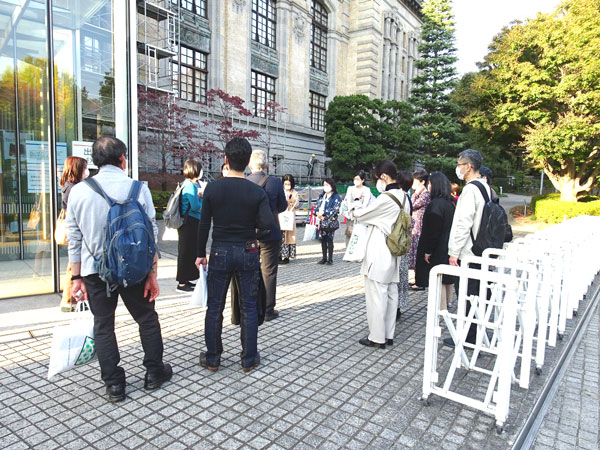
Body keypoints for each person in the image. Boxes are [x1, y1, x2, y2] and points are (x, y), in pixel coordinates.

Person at [66, 136, 170, 403]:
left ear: (95, 162)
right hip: (134, 268)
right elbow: (150, 233)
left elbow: (74, 239)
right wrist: (152, 273)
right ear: (123, 159)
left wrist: (75, 277)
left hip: (94, 271)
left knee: (103, 325)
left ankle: (114, 385)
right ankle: (154, 373)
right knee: (146, 319)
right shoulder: (137, 188)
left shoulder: (79, 191)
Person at [195, 138, 273, 372]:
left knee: (215, 306)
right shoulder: (256, 191)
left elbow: (203, 225)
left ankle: (213, 357)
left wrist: (200, 253)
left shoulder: (212, 188)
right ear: (248, 161)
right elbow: (268, 225)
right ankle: (248, 359)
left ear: (226, 160)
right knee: (248, 305)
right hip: (248, 250)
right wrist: (253, 235)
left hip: (219, 250)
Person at [348, 161, 410, 349]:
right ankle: (388, 334)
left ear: (383, 177)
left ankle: (377, 337)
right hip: (394, 251)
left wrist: (351, 208)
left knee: (377, 295)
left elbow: (362, 214)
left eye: (377, 178)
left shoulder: (386, 198)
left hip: (379, 250)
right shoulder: (404, 197)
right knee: (391, 293)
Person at [445, 148, 491, 346]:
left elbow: (463, 223)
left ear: (468, 166)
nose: (458, 168)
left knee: (466, 294)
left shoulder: (471, 190)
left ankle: (466, 337)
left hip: (468, 252)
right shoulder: (486, 187)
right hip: (482, 250)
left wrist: (454, 252)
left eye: (460, 164)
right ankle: (473, 334)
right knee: (476, 295)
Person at [247, 150, 287, 321]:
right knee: (269, 272)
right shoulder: (275, 182)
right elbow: (283, 206)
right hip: (271, 232)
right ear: (266, 165)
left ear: (250, 165)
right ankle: (269, 309)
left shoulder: (244, 182)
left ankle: (251, 306)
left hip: (250, 234)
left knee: (250, 271)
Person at [418, 172, 456, 309]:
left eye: (430, 184)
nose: (429, 186)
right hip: (448, 245)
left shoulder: (435, 205)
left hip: (438, 247)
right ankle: (448, 302)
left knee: (438, 278)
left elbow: (433, 231)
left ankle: (440, 308)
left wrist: (428, 250)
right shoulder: (451, 202)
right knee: (446, 277)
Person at [59, 156, 89, 312]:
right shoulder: (73, 189)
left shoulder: (67, 186)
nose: (87, 171)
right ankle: (69, 301)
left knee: (74, 265)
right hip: (76, 231)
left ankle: (72, 300)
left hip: (74, 230)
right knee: (74, 266)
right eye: (84, 168)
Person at [176, 159, 203, 293]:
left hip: (188, 222)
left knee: (188, 251)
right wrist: (202, 196)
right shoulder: (190, 186)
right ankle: (181, 283)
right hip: (189, 222)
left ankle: (186, 280)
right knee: (186, 252)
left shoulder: (186, 184)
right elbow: (196, 206)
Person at [409, 169, 431, 291]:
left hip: (420, 228)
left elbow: (412, 205)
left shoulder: (425, 195)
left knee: (419, 255)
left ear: (422, 182)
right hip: (415, 228)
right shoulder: (417, 194)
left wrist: (416, 193)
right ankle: (418, 279)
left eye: (415, 180)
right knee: (415, 254)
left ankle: (421, 281)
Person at [396, 170, 414, 318]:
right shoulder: (407, 198)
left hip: (397, 241)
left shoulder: (399, 198)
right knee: (402, 275)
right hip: (405, 240)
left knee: (396, 276)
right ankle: (399, 306)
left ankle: (394, 307)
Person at [342, 170, 374, 245]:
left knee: (360, 237)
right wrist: (356, 204)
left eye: (358, 179)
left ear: (362, 180)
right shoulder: (350, 189)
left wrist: (356, 201)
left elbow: (365, 205)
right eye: (355, 179)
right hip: (351, 216)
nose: (356, 181)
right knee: (350, 235)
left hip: (362, 217)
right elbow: (348, 203)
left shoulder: (366, 190)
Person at [315, 178, 342, 265]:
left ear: (332, 186)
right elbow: (316, 206)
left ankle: (330, 259)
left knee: (330, 239)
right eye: (324, 185)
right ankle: (324, 258)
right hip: (321, 220)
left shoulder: (336, 197)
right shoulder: (321, 196)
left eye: (327, 185)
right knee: (323, 239)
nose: (325, 187)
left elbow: (335, 210)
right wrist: (318, 213)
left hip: (330, 221)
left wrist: (324, 213)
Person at [280, 174, 299, 265]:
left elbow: (296, 202)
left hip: (289, 216)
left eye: (289, 184)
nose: (287, 185)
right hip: (280, 215)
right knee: (280, 236)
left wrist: (291, 204)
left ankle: (286, 256)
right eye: (285, 183)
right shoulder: (280, 191)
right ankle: (279, 255)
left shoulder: (294, 192)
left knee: (288, 236)